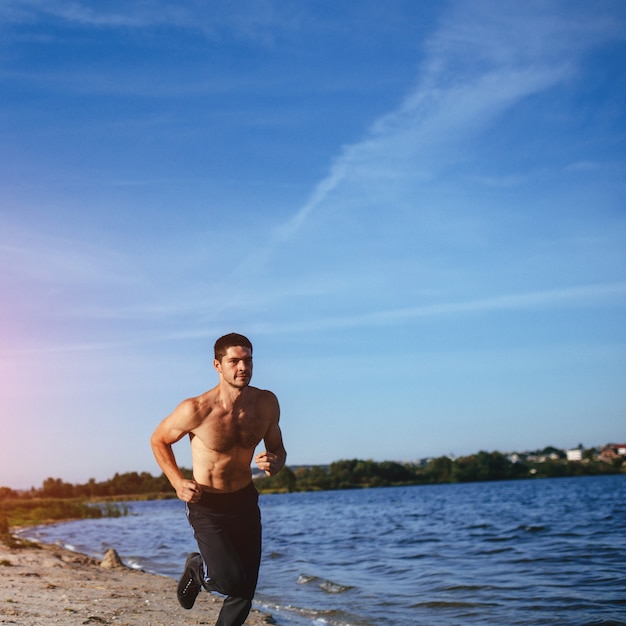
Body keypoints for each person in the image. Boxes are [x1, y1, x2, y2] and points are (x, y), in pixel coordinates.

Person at [150, 332, 287, 626]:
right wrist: (176, 481)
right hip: (206, 503)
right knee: (230, 581)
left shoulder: (266, 404)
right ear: (217, 365)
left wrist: (275, 462)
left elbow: (278, 449)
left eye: (248, 361)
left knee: (244, 593)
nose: (242, 368)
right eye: (234, 361)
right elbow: (159, 440)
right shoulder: (197, 409)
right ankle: (198, 568)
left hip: (245, 500)